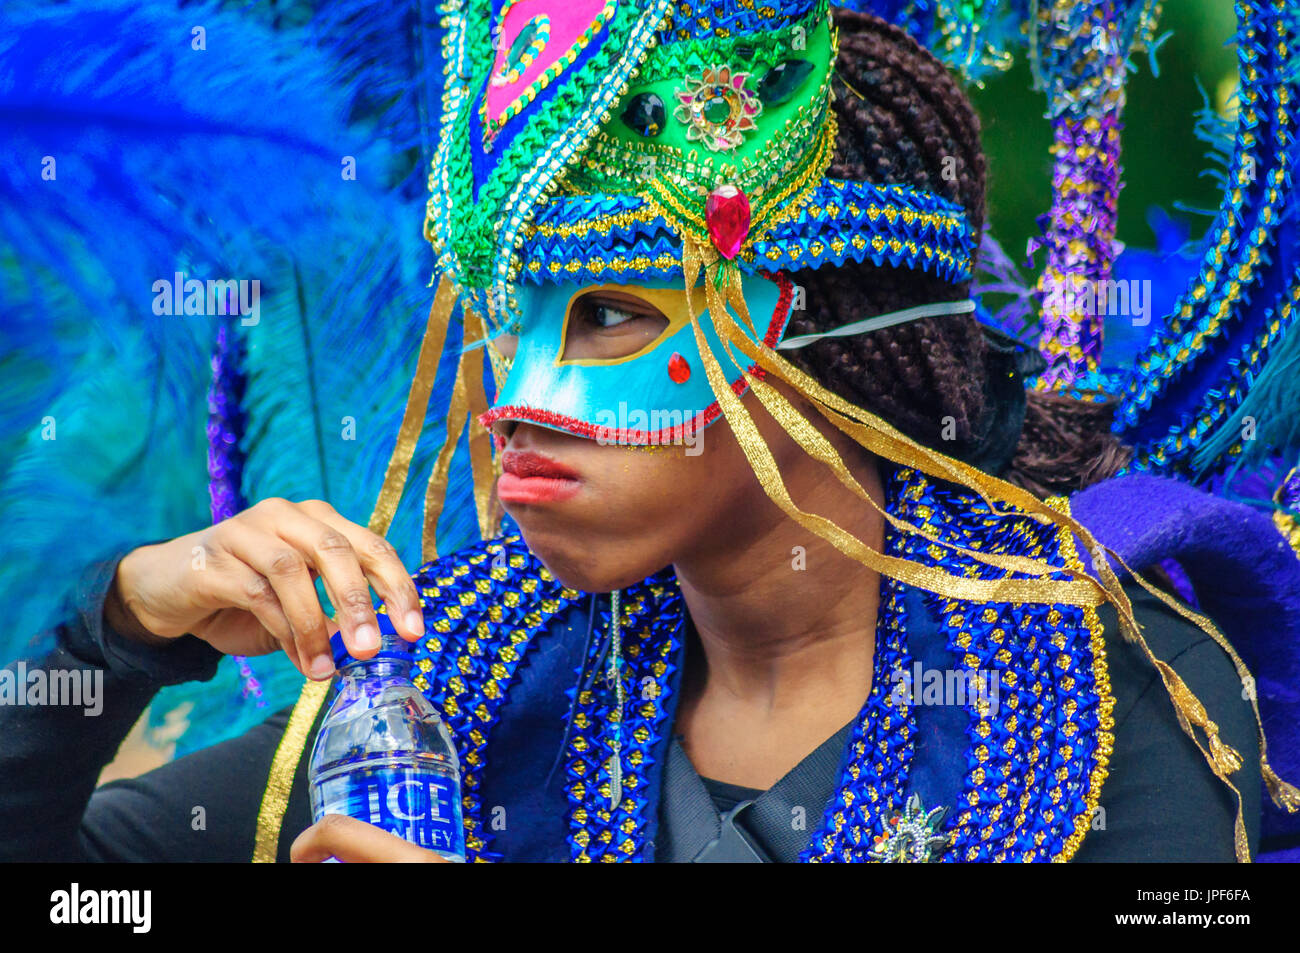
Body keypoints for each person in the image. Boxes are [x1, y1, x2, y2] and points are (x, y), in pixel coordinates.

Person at [1, 2, 1292, 864]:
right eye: (508, 323)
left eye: (612, 316)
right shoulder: (479, 675)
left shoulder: (1109, 706)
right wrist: (114, 626)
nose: (514, 395)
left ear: (823, 343)